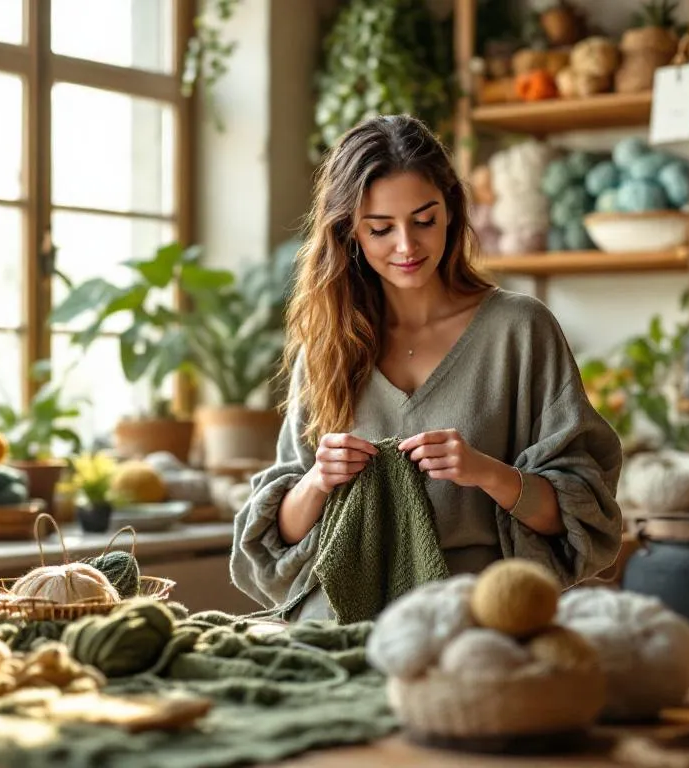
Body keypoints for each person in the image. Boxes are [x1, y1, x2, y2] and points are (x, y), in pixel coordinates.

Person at [229, 114, 624, 621]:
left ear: (452, 212)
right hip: (337, 617)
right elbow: (273, 541)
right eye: (380, 229)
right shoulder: (328, 343)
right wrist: (318, 481)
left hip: (474, 615)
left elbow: (583, 516)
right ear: (350, 232)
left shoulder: (520, 330)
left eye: (424, 220)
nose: (407, 246)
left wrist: (486, 472)